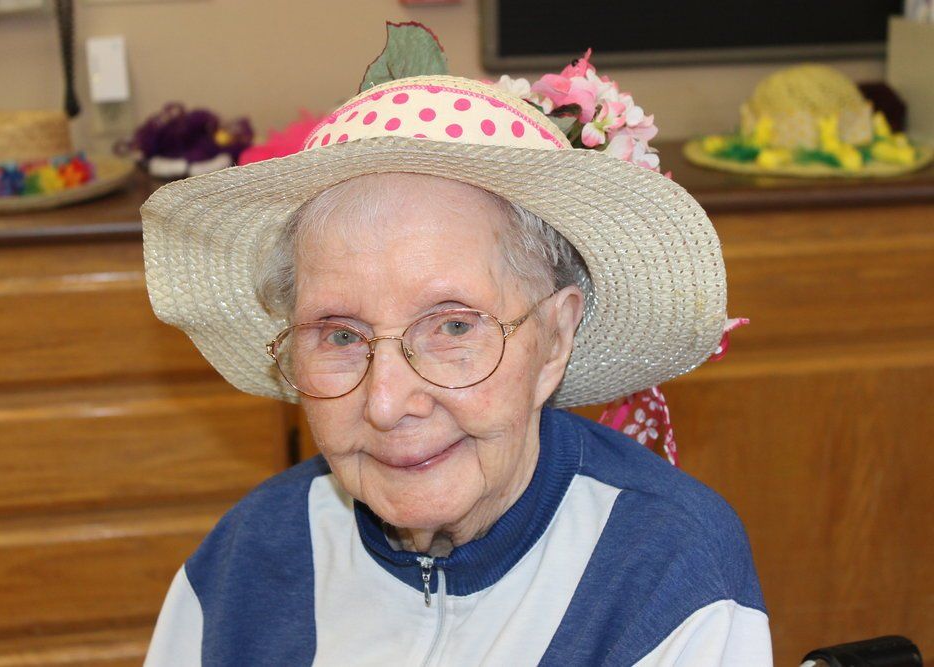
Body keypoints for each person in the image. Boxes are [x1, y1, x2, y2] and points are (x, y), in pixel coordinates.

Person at [139, 72, 772, 665]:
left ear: (554, 338)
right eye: (338, 334)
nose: (387, 403)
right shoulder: (242, 562)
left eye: (453, 326)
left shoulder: (666, 567)